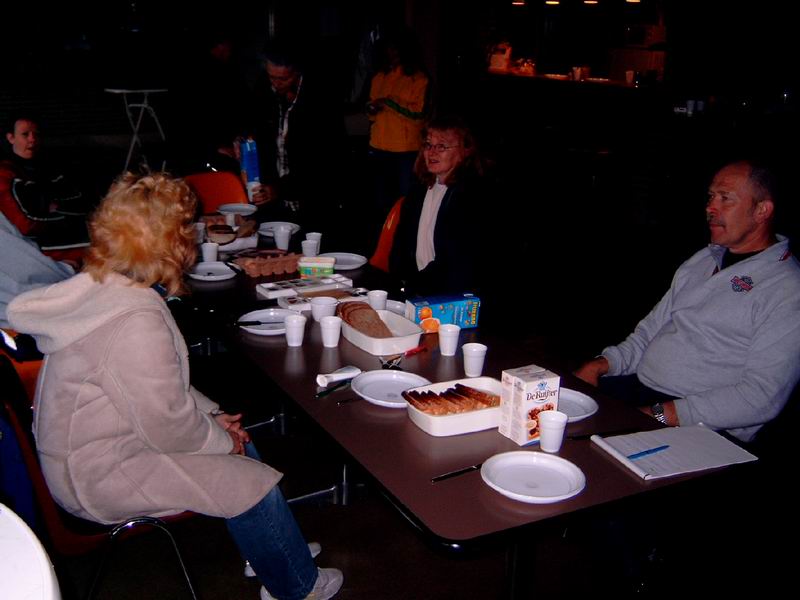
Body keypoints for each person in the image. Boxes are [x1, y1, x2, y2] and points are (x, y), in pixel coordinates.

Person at [7, 173, 343, 600]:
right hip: (99, 475)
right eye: (186, 228)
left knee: (240, 445)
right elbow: (166, 424)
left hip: (94, 450)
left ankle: (272, 553)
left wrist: (215, 418)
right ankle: (296, 587)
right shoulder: (134, 320)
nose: (192, 237)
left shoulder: (105, 285)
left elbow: (158, 389)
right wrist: (220, 437)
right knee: (248, 478)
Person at [574, 160, 800, 443]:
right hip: (641, 391)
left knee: (590, 455)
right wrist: (601, 364)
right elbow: (649, 332)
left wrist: (660, 414)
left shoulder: (787, 287)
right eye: (711, 197)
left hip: (704, 425)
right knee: (547, 413)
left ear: (761, 210)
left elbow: (761, 397)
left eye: (725, 198)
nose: (711, 207)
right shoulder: (703, 260)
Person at [389, 115, 488, 296]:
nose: (432, 152)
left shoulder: (473, 197)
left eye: (442, 146)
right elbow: (400, 247)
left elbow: (456, 263)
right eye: (428, 145)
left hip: (454, 296)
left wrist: (411, 288)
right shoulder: (418, 189)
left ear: (465, 150)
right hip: (417, 289)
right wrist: (400, 286)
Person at [250, 41, 345, 229]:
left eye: (283, 79)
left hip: (312, 200)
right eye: (271, 77)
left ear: (297, 73)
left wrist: (280, 188)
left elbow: (321, 163)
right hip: (275, 200)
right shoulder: (264, 89)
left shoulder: (320, 101)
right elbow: (258, 132)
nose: (276, 84)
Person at [0, 115, 90, 252]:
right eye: (25, 134)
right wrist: (62, 215)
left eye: (36, 134)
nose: (32, 139)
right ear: (11, 138)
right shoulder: (5, 173)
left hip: (60, 232)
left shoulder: (46, 166)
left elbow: (80, 199)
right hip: (30, 244)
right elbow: (24, 225)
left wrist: (55, 207)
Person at [367, 27, 429, 221]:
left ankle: (407, 235)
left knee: (406, 201)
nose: (391, 53)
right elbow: (371, 116)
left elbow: (418, 114)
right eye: (388, 49)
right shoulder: (379, 77)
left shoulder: (419, 79)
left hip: (405, 150)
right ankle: (384, 235)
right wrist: (372, 109)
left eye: (395, 49)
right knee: (381, 202)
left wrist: (389, 103)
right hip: (379, 146)